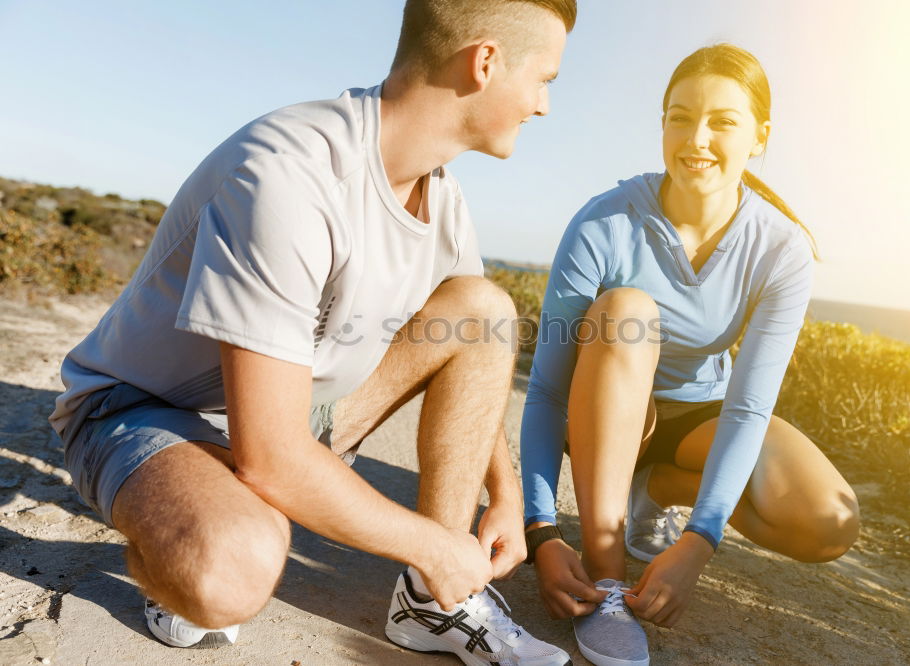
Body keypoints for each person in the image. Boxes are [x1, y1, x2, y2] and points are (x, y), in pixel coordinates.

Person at [48, 1, 577, 663]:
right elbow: (269, 457)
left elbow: (475, 344)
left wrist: (501, 493)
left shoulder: (444, 199)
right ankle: (184, 534)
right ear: (486, 62)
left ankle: (431, 605)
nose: (544, 105)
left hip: (292, 409)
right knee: (232, 564)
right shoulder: (288, 173)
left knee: (483, 307)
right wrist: (434, 544)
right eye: (545, 79)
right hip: (141, 413)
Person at [519, 44, 861, 666]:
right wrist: (541, 532)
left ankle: (655, 488)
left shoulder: (780, 248)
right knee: (627, 310)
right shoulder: (604, 222)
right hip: (597, 410)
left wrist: (700, 540)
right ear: (662, 125)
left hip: (696, 414)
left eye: (722, 121)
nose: (696, 137)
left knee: (827, 524)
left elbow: (749, 407)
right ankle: (608, 578)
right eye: (679, 117)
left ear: (759, 136)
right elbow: (544, 391)